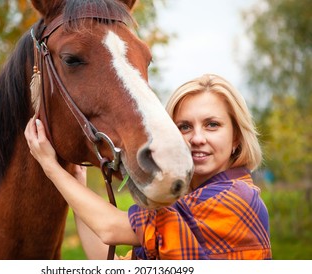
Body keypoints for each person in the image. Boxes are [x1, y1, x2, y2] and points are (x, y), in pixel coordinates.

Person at [24, 73, 272, 260]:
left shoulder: (237, 198)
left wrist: (49, 165)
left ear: (236, 138)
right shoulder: (184, 204)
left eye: (212, 125)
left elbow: (111, 229)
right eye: (184, 127)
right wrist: (78, 182)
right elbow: (109, 265)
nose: (197, 138)